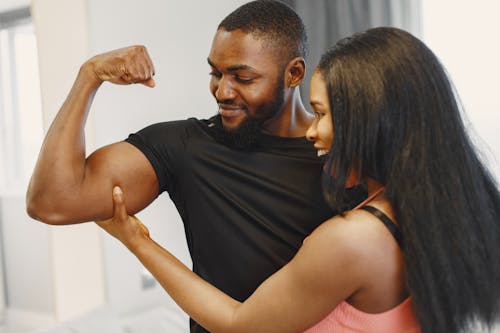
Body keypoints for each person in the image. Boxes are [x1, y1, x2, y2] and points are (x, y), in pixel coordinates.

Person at [97, 27, 500, 333]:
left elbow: (239, 325)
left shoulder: (351, 240)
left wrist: (138, 241)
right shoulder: (446, 209)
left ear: (371, 120)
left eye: (321, 114)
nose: (311, 131)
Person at [26, 1, 347, 332]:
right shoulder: (184, 146)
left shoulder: (344, 158)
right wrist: (89, 75)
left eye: (242, 77)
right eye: (215, 73)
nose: (222, 91)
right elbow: (52, 202)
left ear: (293, 73)